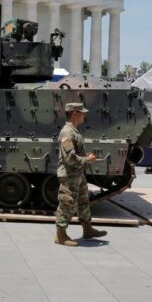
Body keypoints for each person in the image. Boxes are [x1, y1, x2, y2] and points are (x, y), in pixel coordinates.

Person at [54, 103, 107, 247]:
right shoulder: (67, 132)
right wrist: (87, 160)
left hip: (77, 174)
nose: (85, 115)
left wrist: (84, 157)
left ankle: (87, 229)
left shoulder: (74, 131)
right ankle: (60, 235)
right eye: (82, 113)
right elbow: (69, 158)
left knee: (83, 200)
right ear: (75, 113)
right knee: (67, 202)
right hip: (70, 175)